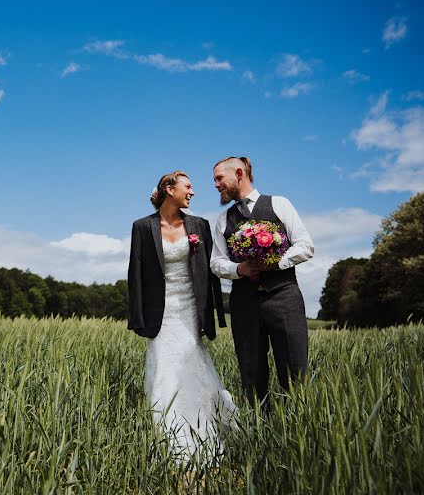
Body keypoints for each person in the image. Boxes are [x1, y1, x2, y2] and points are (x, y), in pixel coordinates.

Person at [127, 170, 236, 460]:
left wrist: (209, 317)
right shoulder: (141, 227)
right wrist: (137, 318)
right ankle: (167, 435)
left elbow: (209, 276)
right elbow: (135, 275)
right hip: (159, 314)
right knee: (164, 368)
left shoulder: (199, 225)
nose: (193, 192)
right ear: (169, 188)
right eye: (187, 187)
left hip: (191, 310)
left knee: (194, 366)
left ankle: (204, 427)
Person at [209, 156, 314, 404]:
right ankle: (259, 433)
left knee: (294, 369)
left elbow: (305, 246)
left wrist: (276, 262)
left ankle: (297, 428)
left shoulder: (279, 203)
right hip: (244, 303)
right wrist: (240, 269)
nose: (215, 185)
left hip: (284, 296)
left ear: (238, 173)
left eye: (219, 178)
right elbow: (216, 262)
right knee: (251, 372)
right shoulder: (223, 219)